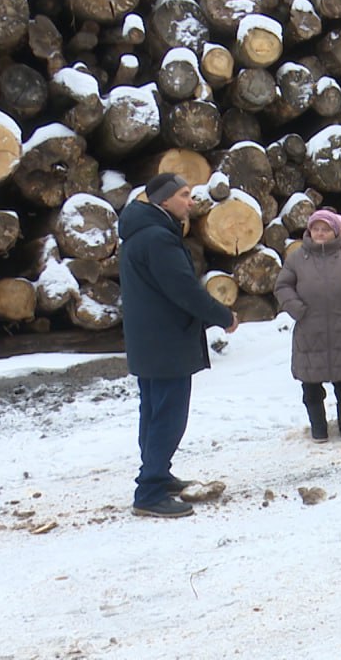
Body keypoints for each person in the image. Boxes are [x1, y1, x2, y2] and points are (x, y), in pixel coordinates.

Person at [119, 173, 237, 518]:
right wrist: (222, 316)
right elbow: (183, 289)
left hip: (149, 339)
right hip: (167, 340)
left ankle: (156, 473)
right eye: (184, 195)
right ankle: (150, 491)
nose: (191, 201)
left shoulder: (141, 232)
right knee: (168, 416)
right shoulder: (158, 238)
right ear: (164, 200)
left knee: (154, 412)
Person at [275, 209, 341, 442]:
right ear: (309, 231)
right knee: (311, 386)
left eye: (325, 229)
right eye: (316, 228)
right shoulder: (297, 258)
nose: (320, 233)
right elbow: (282, 286)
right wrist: (297, 309)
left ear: (335, 231)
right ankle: (318, 429)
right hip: (310, 330)